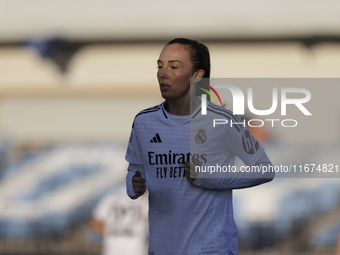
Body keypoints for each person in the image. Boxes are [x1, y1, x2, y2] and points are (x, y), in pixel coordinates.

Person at [125, 38, 275, 255]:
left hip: (211, 249)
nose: (162, 73)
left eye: (174, 67)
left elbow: (265, 169)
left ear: (197, 76)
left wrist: (211, 178)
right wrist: (133, 185)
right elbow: (134, 172)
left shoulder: (224, 121)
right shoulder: (143, 122)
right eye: (160, 66)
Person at [89, 184, 148, 255]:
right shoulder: (144, 197)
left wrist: (111, 234)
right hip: (136, 249)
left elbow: (94, 223)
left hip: (111, 248)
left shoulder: (111, 195)